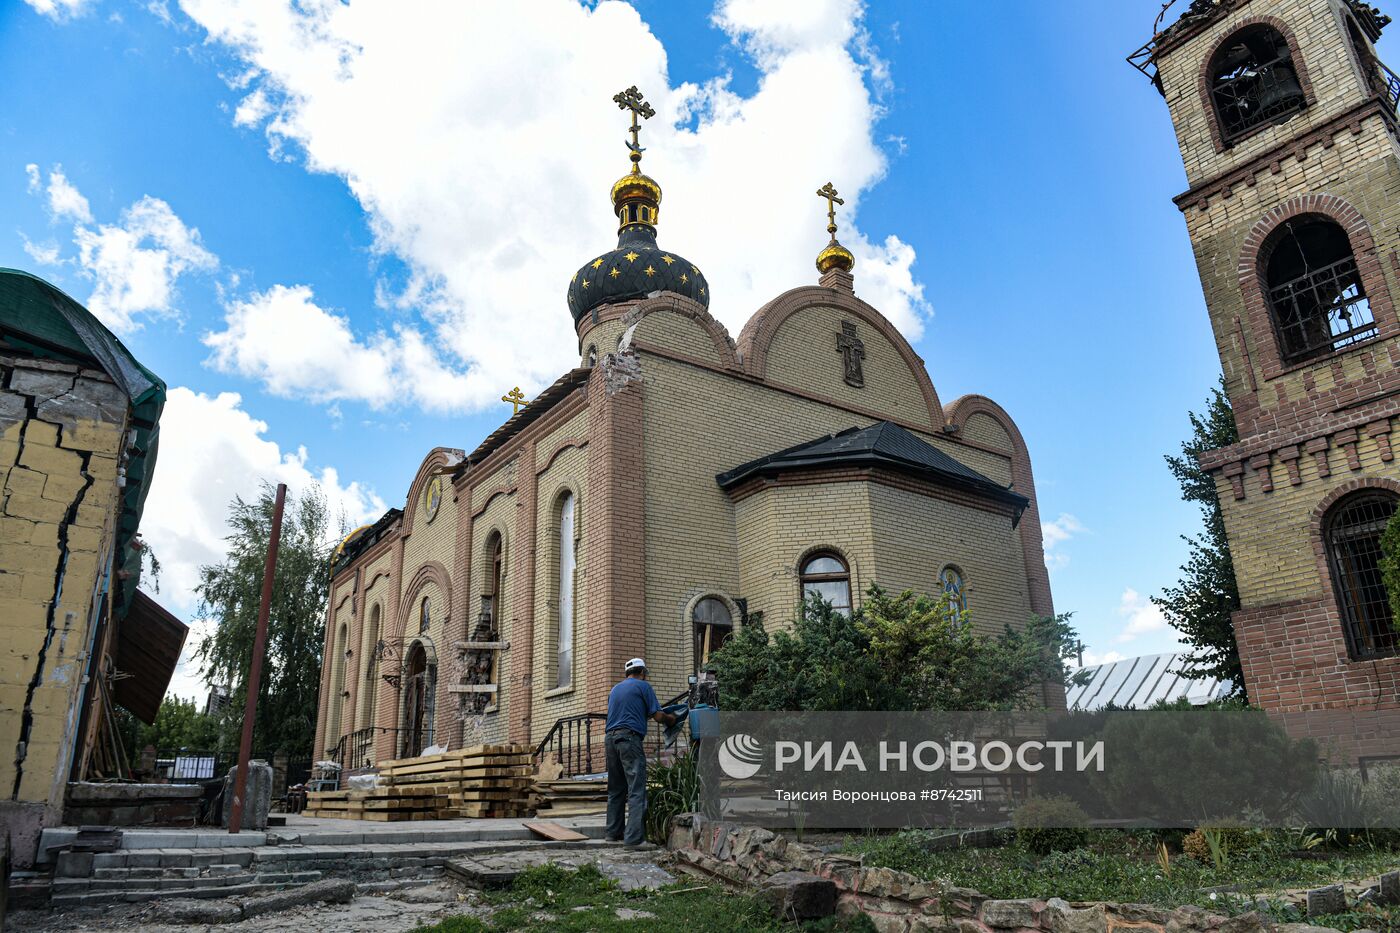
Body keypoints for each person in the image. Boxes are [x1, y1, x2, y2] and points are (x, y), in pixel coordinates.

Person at [605, 657, 678, 846]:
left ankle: (613, 833)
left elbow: (626, 712)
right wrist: (671, 720)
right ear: (643, 673)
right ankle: (634, 840)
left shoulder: (615, 690)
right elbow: (657, 715)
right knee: (636, 789)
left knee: (615, 789)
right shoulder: (643, 686)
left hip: (610, 740)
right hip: (629, 738)